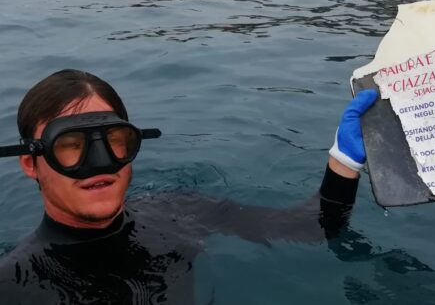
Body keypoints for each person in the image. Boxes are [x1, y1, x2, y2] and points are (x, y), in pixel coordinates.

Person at [0, 69, 378, 304]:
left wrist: (343, 162)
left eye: (114, 140)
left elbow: (314, 228)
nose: (98, 164)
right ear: (31, 163)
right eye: (71, 146)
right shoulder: (12, 284)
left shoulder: (178, 212)